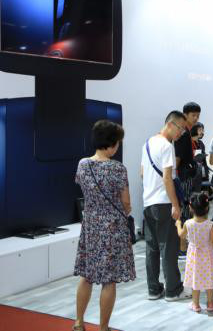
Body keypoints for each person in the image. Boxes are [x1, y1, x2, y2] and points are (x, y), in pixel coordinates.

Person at [73, 120, 135, 331]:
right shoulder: (117, 168)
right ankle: (103, 327)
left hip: (90, 226)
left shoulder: (83, 164)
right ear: (112, 143)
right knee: (109, 281)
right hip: (112, 228)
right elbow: (126, 202)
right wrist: (124, 210)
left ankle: (79, 322)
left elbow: (83, 188)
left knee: (87, 276)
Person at [141, 110, 189, 301]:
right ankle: (173, 290)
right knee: (168, 248)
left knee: (152, 248)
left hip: (148, 203)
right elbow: (168, 178)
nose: (181, 133)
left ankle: (153, 289)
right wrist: (175, 205)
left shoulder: (147, 144)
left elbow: (142, 174)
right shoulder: (167, 146)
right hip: (164, 203)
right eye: (180, 129)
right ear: (170, 124)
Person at [175, 192, 213, 313]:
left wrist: (178, 224)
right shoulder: (210, 224)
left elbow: (181, 235)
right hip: (207, 256)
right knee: (209, 279)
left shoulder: (188, 223)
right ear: (207, 208)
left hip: (193, 256)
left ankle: (195, 304)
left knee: (195, 279)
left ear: (190, 208)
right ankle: (210, 303)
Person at [175, 102, 202, 256]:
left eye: (198, 115)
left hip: (186, 176)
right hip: (183, 178)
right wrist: (175, 178)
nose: (196, 118)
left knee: (187, 210)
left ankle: (183, 246)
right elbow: (177, 158)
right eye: (193, 115)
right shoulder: (183, 133)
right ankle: (182, 248)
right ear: (185, 115)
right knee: (185, 211)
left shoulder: (186, 132)